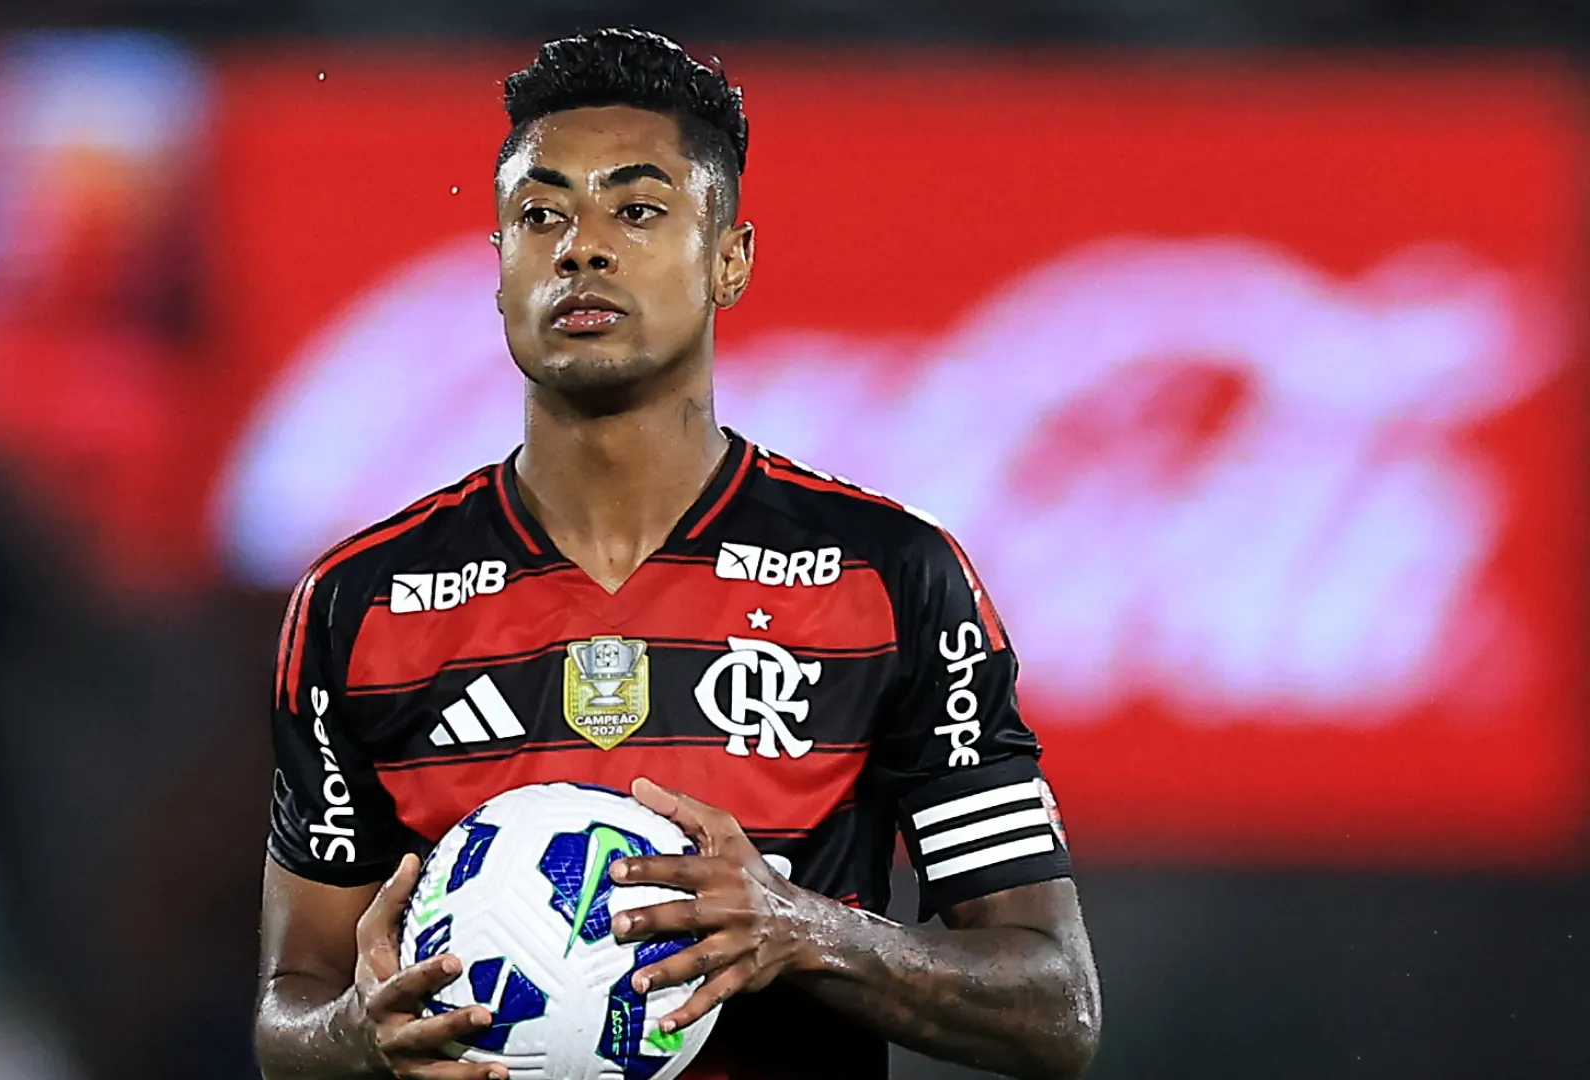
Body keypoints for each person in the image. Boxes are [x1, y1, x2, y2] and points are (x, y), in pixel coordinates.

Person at [252, 28, 1100, 1080]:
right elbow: (291, 1007)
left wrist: (806, 929)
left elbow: (1054, 1006)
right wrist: (350, 1038)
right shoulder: (359, 606)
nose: (580, 247)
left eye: (637, 209)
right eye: (540, 213)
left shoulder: (893, 580)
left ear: (730, 258)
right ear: (499, 265)